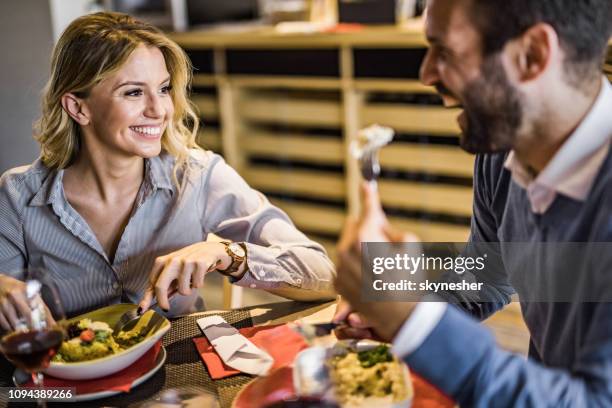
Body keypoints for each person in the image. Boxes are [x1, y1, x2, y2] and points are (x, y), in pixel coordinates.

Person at [334, 0, 612, 405]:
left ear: (532, 55)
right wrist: (398, 301)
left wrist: (416, 322)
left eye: (443, 51)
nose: (426, 74)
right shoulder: (507, 153)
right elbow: (487, 275)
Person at [0, 12, 335, 330]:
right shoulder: (16, 198)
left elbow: (324, 273)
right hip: (66, 387)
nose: (160, 109)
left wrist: (228, 253)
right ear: (78, 107)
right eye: (133, 92)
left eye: (163, 89)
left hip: (182, 375)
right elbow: (16, 334)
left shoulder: (198, 176)